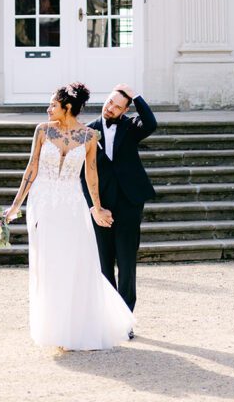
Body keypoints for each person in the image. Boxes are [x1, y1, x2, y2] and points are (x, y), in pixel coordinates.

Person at [4, 82, 133, 351]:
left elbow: (91, 174)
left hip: (72, 205)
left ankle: (74, 328)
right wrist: (16, 205)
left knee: (74, 264)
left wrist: (96, 207)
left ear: (68, 107)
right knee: (49, 266)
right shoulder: (42, 130)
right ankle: (55, 328)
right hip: (44, 205)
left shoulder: (88, 136)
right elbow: (32, 168)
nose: (48, 108)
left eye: (53, 104)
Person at [83, 84, 157, 318]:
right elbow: (82, 174)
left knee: (126, 263)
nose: (111, 108)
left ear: (125, 110)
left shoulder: (132, 126)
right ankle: (108, 317)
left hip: (129, 202)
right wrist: (94, 207)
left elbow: (152, 123)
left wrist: (136, 96)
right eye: (109, 102)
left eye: (117, 106)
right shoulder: (88, 130)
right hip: (101, 204)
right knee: (104, 264)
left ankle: (125, 317)